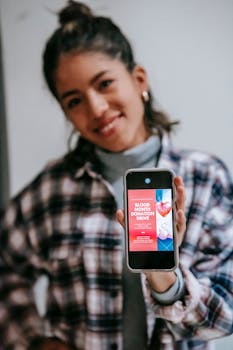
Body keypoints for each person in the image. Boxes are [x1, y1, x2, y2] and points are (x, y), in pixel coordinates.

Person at [0, 1, 232, 349]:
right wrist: (33, 341)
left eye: (105, 83)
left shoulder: (204, 178)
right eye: (74, 101)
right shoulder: (52, 190)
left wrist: (165, 279)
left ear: (139, 79)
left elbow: (224, 315)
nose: (96, 108)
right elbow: (6, 269)